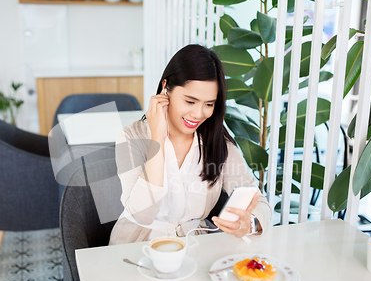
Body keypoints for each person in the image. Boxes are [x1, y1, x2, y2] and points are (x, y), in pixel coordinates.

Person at [109, 44, 271, 245]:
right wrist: (158, 139)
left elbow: (259, 202)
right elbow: (142, 215)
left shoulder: (218, 143)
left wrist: (251, 224)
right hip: (137, 248)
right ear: (166, 88)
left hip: (195, 248)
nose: (198, 114)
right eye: (190, 101)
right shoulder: (130, 137)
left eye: (209, 104)